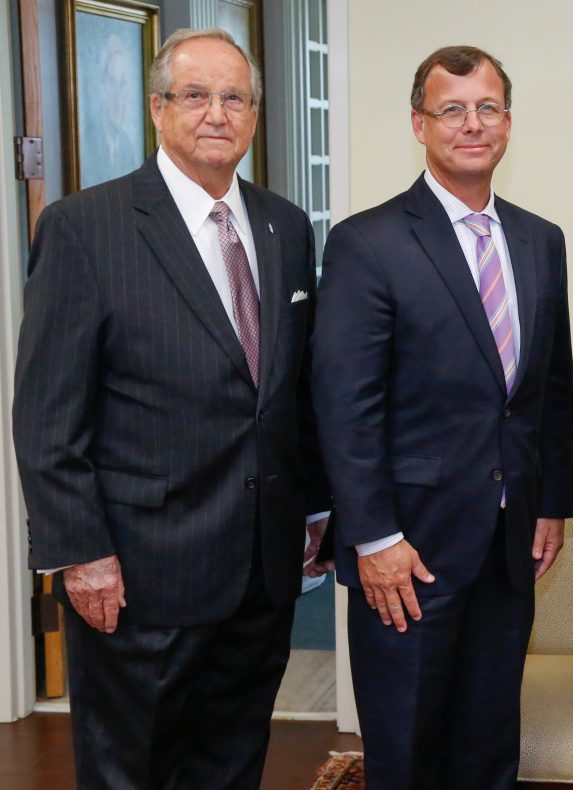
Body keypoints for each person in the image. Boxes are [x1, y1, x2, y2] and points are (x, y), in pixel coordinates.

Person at [12, 28, 331, 789]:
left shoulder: (286, 227)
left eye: (234, 97)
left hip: (261, 567)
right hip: (139, 573)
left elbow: (293, 392)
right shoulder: (86, 228)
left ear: (254, 115)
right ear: (158, 109)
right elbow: (47, 416)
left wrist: (315, 510)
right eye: (195, 95)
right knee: (134, 768)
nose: (216, 113)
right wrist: (79, 554)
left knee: (232, 760)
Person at [311, 45, 573, 789]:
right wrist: (375, 537)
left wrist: (550, 502)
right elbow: (345, 405)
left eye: (487, 108)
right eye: (452, 109)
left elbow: (549, 387)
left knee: (489, 744)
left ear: (508, 123)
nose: (472, 124)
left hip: (508, 542)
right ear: (419, 124)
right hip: (409, 549)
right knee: (408, 749)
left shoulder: (538, 240)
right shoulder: (368, 243)